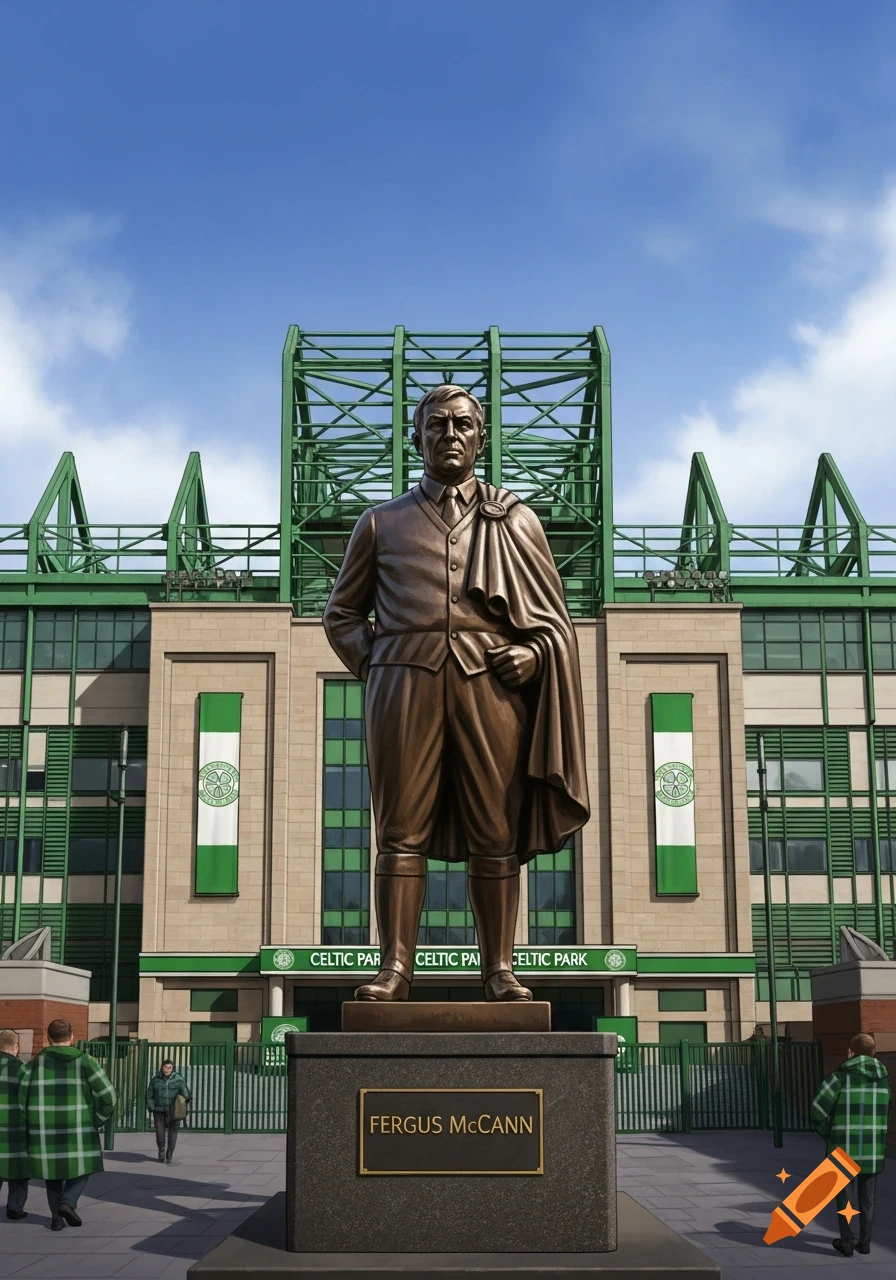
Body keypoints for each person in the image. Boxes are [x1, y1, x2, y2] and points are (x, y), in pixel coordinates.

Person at [324, 384, 589, 1003]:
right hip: (403, 689)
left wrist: (532, 652)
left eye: (463, 425)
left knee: (495, 832)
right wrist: (381, 664)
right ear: (417, 439)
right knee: (399, 830)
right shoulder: (380, 522)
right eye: (437, 425)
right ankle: (395, 969)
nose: (450, 435)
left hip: (490, 689)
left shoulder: (515, 519)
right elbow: (341, 616)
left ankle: (499, 969)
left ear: (482, 438)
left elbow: (554, 621)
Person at [19, 1017, 116, 1231]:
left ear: (48, 1038)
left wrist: (32, 1123)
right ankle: (68, 1202)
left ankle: (56, 1218)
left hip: (44, 1129)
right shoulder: (86, 1061)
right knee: (84, 1167)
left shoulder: (33, 1065)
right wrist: (96, 1119)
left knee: (52, 1175)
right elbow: (109, 1096)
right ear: (72, 1037)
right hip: (79, 1127)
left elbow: (21, 1100)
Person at [811, 1031, 892, 1257]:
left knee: (844, 1197)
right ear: (874, 1052)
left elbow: (817, 1111)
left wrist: (830, 1135)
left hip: (843, 1149)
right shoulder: (884, 1081)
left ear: (850, 1052)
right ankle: (865, 1242)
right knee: (868, 1199)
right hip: (872, 1150)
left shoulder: (840, 1077)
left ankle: (847, 1240)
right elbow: (887, 1114)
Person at [0, 1029, 29, 1220]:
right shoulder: (23, 1070)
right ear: (16, 1046)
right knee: (19, 1170)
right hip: (15, 1129)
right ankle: (15, 1208)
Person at [145, 1058, 191, 1164]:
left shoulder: (178, 1079)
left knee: (172, 1134)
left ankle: (169, 1153)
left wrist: (186, 1098)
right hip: (159, 1110)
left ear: (173, 1069)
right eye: (166, 1067)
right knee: (160, 1134)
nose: (167, 1069)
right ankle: (161, 1150)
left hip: (173, 1111)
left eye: (170, 1067)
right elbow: (149, 1095)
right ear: (162, 1067)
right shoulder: (155, 1079)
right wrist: (152, 1106)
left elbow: (185, 1093)